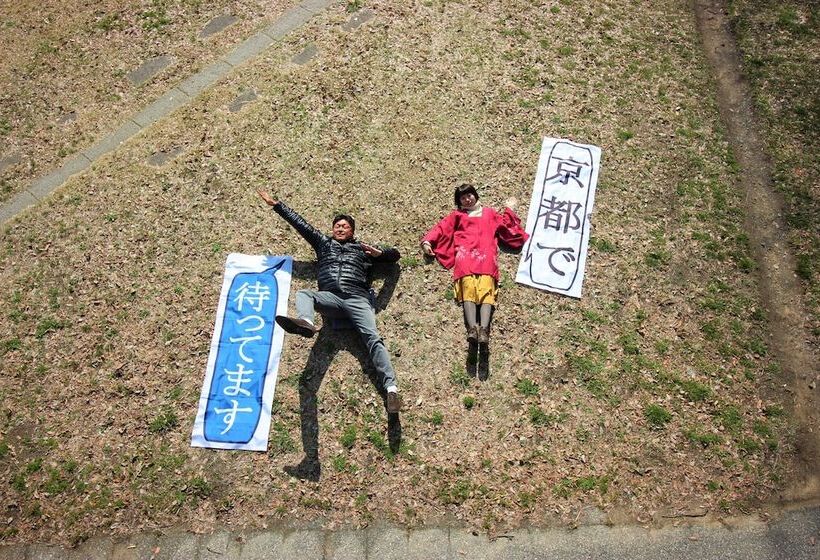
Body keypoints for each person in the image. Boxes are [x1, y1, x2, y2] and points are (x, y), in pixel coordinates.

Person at [258, 189, 402, 414]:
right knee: (305, 294)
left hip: (357, 299)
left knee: (373, 339)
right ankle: (306, 322)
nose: (340, 228)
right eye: (337, 226)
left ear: (352, 231)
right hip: (331, 299)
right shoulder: (323, 244)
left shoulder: (363, 250)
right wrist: (276, 205)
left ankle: (391, 389)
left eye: (345, 226)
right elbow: (301, 225)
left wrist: (379, 253)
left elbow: (395, 257)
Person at [421, 184, 528, 375]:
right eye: (462, 198)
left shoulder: (489, 213)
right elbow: (442, 227)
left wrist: (510, 209)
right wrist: (428, 241)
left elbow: (507, 229)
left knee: (486, 292)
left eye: (469, 195)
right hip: (465, 257)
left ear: (475, 195)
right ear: (459, 202)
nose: (467, 199)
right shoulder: (457, 216)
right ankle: (472, 330)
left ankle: (484, 331)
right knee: (468, 291)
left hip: (486, 256)